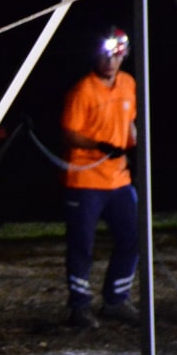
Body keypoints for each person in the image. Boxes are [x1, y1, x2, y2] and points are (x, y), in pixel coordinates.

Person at [61, 26, 139, 330]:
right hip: (86, 181)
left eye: (115, 56)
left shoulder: (128, 83)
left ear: (123, 56)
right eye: (105, 56)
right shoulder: (83, 90)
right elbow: (69, 132)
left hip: (119, 180)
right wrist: (99, 145)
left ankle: (116, 299)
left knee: (133, 236)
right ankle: (79, 306)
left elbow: (130, 121)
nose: (109, 62)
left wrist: (132, 140)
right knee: (82, 244)